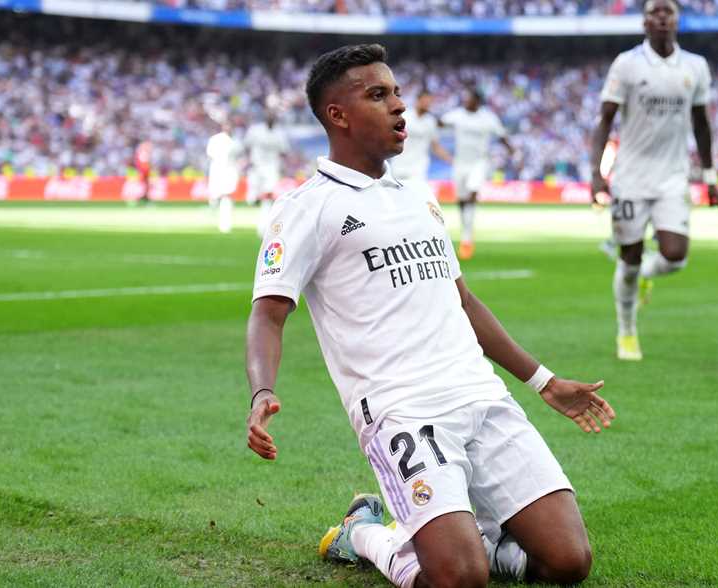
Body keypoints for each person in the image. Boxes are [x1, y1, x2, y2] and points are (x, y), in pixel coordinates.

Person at [245, 44, 616, 588]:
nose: (399, 106)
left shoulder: (417, 197)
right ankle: (365, 532)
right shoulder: (306, 208)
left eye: (397, 92)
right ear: (337, 115)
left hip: (480, 395)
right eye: (379, 95)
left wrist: (544, 382)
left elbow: (463, 302)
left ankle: (474, 536)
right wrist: (261, 392)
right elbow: (268, 314)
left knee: (568, 562)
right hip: (401, 410)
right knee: (459, 580)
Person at [589, 0, 718, 361]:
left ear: (677, 21)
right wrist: (596, 174)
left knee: (676, 256)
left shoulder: (695, 66)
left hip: (672, 177)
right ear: (645, 22)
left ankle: (647, 274)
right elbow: (604, 121)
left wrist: (710, 177)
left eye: (668, 11)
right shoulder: (627, 64)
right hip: (631, 177)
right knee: (629, 257)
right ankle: (627, 331)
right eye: (655, 11)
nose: (662, 17)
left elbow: (702, 125)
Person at [441, 88, 514, 261]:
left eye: (470, 98)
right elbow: (440, 123)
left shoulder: (488, 118)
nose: (466, 101)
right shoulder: (457, 115)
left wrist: (511, 149)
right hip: (460, 163)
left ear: (477, 101)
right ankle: (466, 227)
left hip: (479, 163)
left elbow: (501, 135)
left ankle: (467, 238)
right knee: (461, 199)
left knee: (472, 192)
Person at [388, 89, 453, 194]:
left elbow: (435, 146)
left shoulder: (430, 122)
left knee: (416, 194)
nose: (427, 104)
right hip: (399, 163)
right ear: (418, 100)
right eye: (425, 101)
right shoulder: (404, 116)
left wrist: (450, 160)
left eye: (430, 102)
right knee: (396, 195)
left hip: (419, 166)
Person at [243, 110, 291, 238]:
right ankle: (254, 200)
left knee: (268, 197)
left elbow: (284, 151)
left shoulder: (280, 133)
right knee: (253, 198)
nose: (271, 118)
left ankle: (263, 227)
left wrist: (284, 166)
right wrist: (248, 161)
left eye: (273, 117)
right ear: (265, 118)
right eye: (269, 116)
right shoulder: (255, 130)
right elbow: (246, 146)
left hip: (271, 168)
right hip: (256, 167)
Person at [206, 121, 240, 234]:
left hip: (230, 171)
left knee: (227, 196)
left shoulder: (236, 141)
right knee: (215, 196)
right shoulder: (216, 139)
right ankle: (213, 206)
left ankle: (225, 225)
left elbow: (240, 156)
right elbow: (210, 154)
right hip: (217, 170)